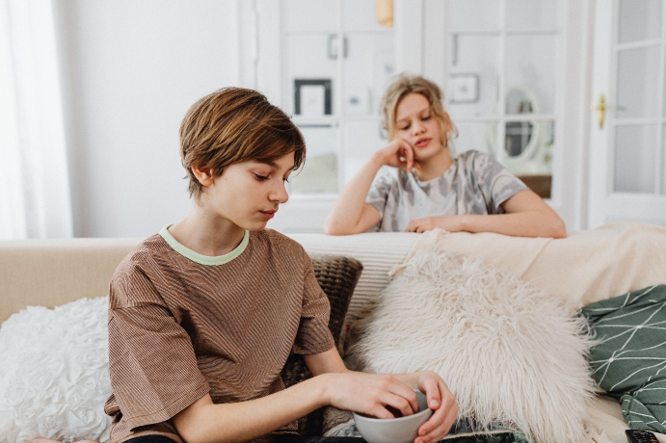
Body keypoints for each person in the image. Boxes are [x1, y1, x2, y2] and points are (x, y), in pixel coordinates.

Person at [32, 87, 458, 443]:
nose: (282, 195)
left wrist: (416, 382)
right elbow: (198, 427)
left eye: (286, 177)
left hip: (268, 432)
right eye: (262, 176)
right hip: (168, 434)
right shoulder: (143, 276)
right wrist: (326, 387)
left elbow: (336, 376)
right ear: (204, 168)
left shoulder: (289, 260)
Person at [324, 74, 567, 238]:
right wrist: (377, 159)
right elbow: (337, 227)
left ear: (446, 122)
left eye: (426, 118)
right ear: (394, 139)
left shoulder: (478, 168)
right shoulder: (392, 185)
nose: (418, 129)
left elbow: (552, 225)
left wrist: (457, 223)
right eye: (405, 126)